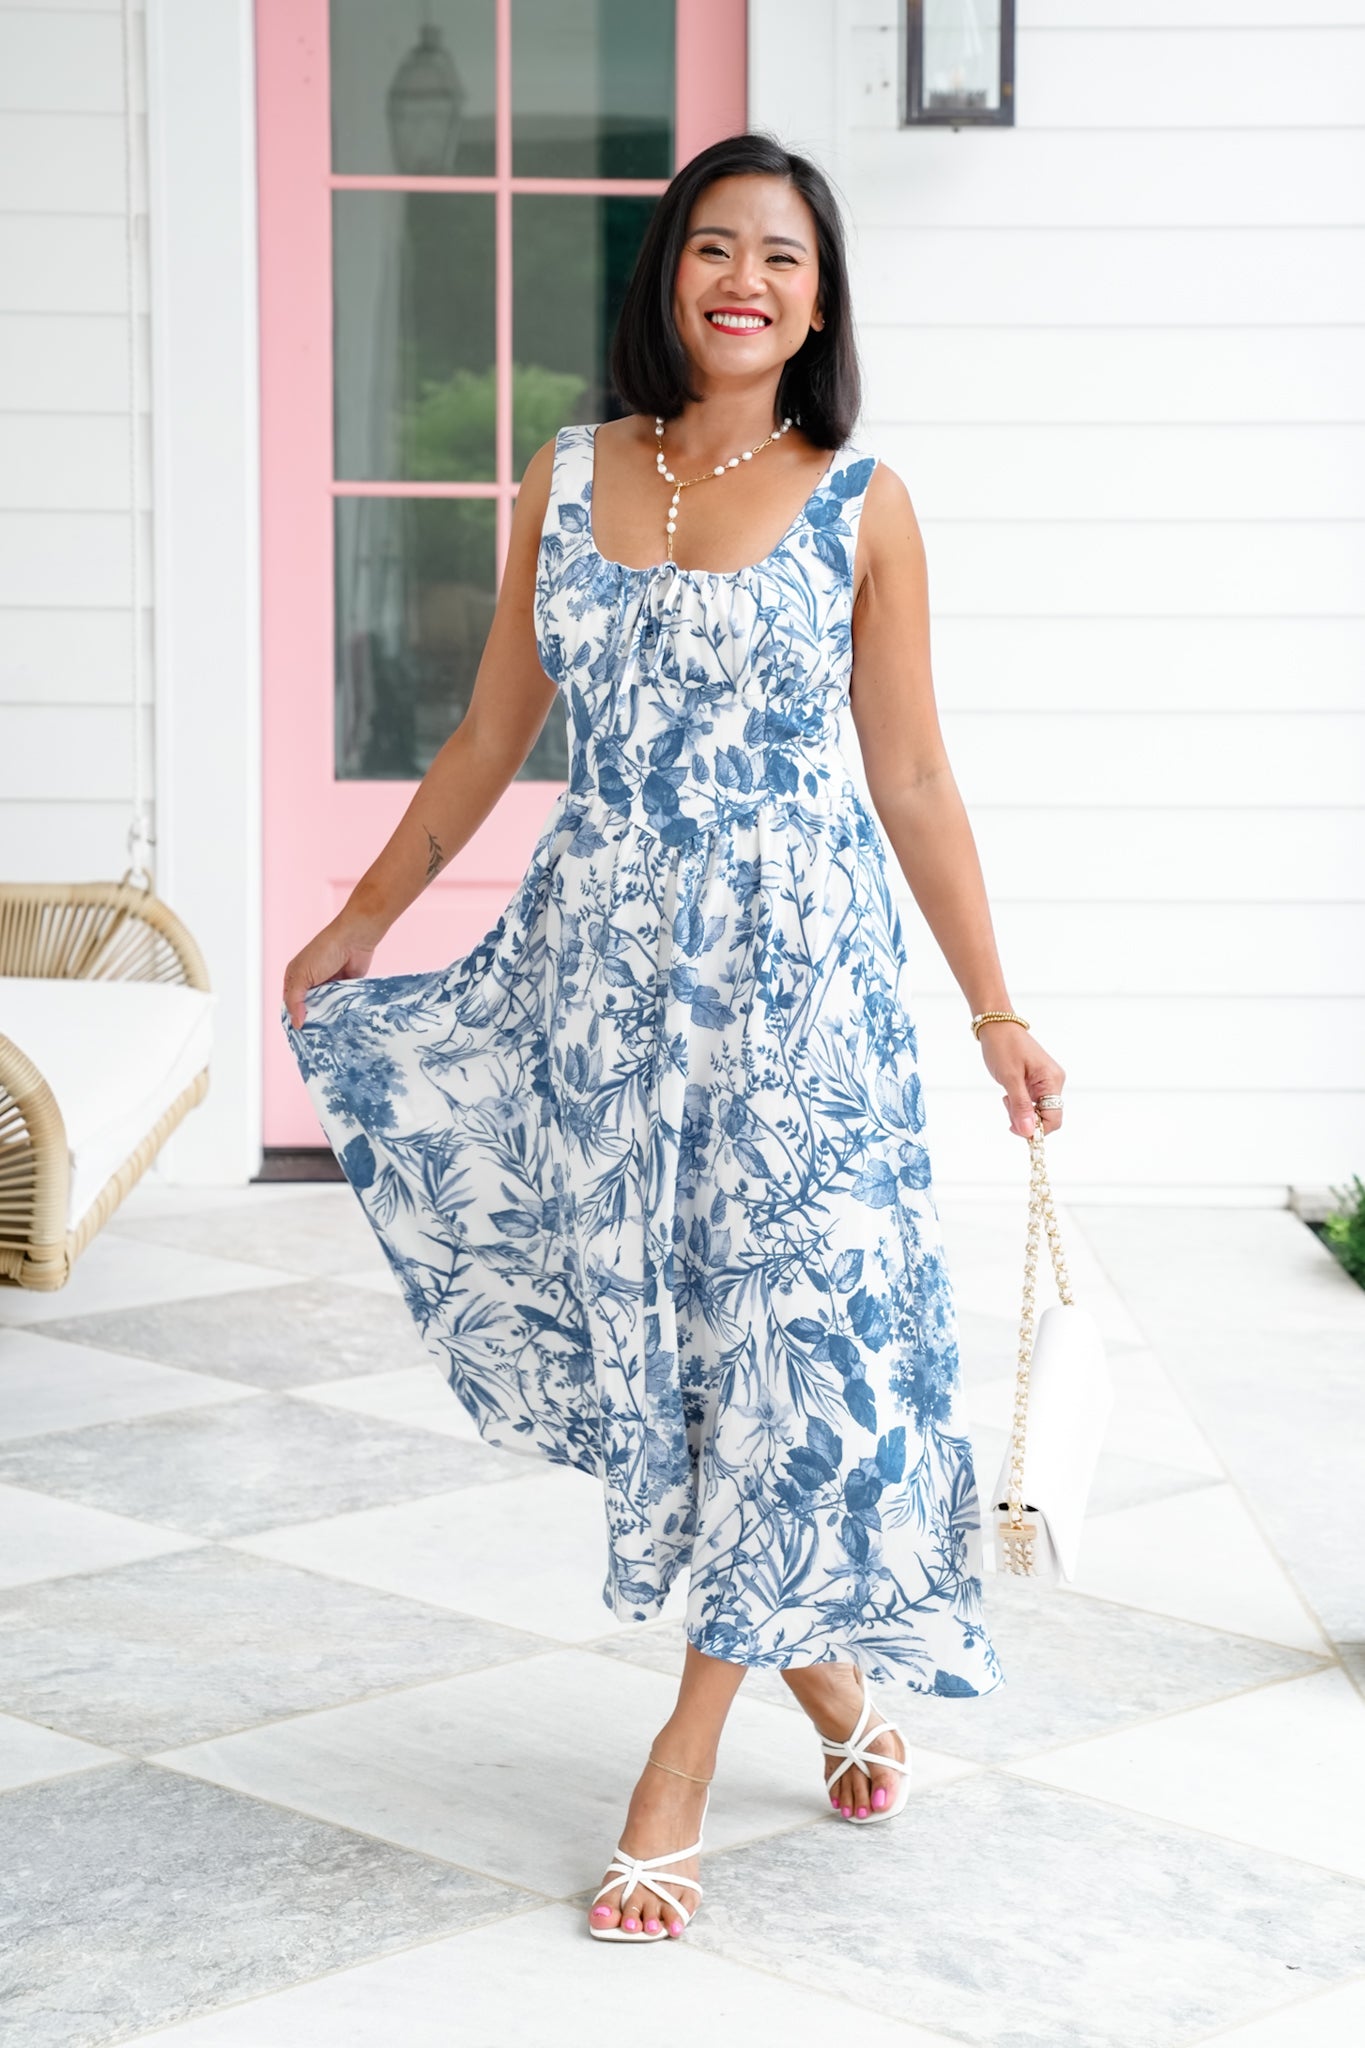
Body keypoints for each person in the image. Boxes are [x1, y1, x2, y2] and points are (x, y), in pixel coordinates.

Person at [281, 131, 1065, 1948]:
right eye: (715, 247)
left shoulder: (861, 499)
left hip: (803, 996)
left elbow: (911, 775)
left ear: (819, 300)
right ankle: (829, 1686)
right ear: (668, 276)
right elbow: (488, 736)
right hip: (611, 994)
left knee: (792, 1351)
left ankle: (678, 1766)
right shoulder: (566, 476)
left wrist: (994, 1008)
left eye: (781, 256)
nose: (745, 280)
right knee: (691, 1366)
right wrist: (365, 917)